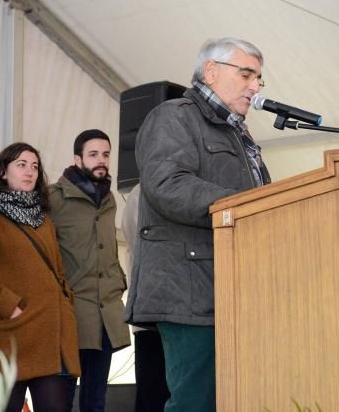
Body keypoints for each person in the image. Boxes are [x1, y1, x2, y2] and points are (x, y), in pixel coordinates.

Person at [125, 37, 271, 412]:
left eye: (259, 79)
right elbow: (167, 185)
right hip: (189, 289)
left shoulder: (240, 136)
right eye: (246, 74)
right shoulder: (173, 116)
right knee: (196, 402)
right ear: (211, 71)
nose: (255, 86)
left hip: (235, 288)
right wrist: (244, 206)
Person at [0, 143, 81, 412]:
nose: (30, 172)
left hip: (51, 337)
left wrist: (65, 302)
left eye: (35, 166)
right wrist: (11, 307)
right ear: (3, 172)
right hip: (7, 338)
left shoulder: (44, 220)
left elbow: (58, 273)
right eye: (21, 165)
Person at [48, 129, 130, 412]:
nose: (101, 160)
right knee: (61, 398)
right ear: (76, 159)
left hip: (106, 314)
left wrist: (119, 283)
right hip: (72, 315)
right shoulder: (54, 199)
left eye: (106, 154)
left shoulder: (109, 199)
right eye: (93, 154)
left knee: (96, 400)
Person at [120, 184, 170, 412]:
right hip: (148, 313)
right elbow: (135, 241)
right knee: (152, 393)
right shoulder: (140, 193)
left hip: (183, 315)